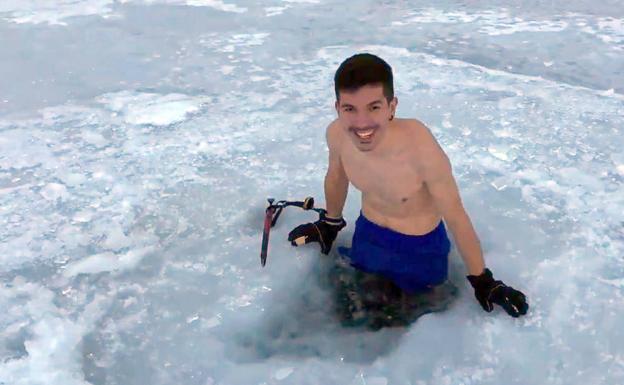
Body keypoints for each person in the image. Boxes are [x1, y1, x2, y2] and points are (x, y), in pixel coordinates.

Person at [288, 53, 528, 319]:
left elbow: (455, 215)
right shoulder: (337, 135)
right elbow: (336, 175)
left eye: (374, 107)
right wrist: (331, 223)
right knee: (350, 315)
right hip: (368, 237)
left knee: (404, 323)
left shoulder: (419, 147)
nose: (361, 122)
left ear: (392, 107)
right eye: (350, 109)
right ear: (338, 108)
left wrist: (483, 280)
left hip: (419, 252)